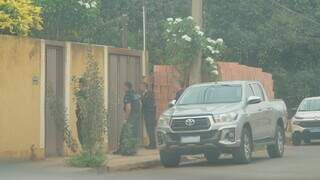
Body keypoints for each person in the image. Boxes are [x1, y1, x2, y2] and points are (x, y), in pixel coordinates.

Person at [140, 82, 157, 149]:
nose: (140, 88)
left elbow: (147, 103)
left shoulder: (149, 93)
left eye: (141, 86)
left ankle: (153, 144)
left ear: (145, 87)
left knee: (150, 129)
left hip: (150, 114)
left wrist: (141, 100)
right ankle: (151, 143)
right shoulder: (143, 94)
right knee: (148, 129)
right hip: (146, 113)